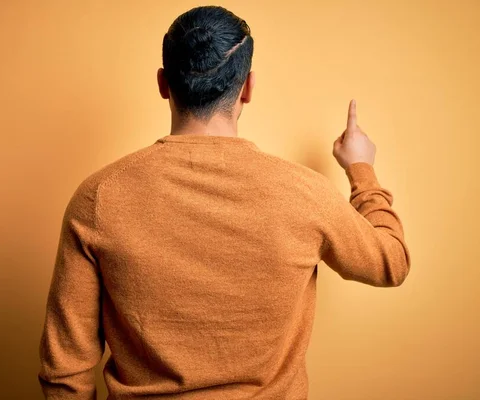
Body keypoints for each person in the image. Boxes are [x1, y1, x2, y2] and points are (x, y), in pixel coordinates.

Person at [37, 5, 411, 400]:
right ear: (247, 87)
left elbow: (65, 372)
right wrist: (361, 170)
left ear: (164, 83)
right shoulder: (305, 192)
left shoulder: (98, 198)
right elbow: (392, 262)